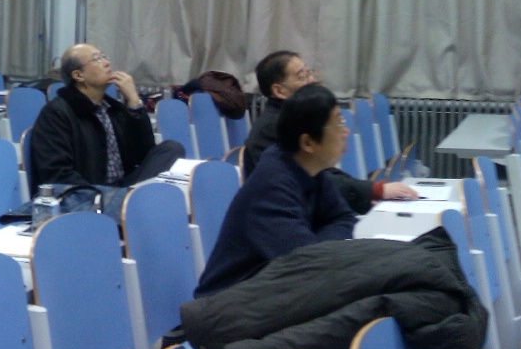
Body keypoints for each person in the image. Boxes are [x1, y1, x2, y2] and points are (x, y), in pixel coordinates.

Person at [196, 83, 359, 297]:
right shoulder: (272, 187)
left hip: (273, 291)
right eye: (337, 124)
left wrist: (316, 245)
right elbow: (306, 264)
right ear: (308, 142)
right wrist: (318, 247)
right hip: (228, 303)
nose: (346, 132)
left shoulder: (311, 169)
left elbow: (343, 218)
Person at [239, 51, 418, 213]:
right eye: (302, 76)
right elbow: (313, 179)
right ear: (279, 91)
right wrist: (374, 190)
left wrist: (368, 193)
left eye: (309, 72)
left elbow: (323, 176)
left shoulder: (296, 117)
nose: (311, 81)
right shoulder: (275, 128)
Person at [27, 43, 184, 192]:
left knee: (172, 149)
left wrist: (134, 102)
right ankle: (131, 202)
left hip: (122, 188)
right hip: (89, 194)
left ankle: (131, 200)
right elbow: (57, 174)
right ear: (78, 75)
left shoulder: (113, 109)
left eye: (104, 57)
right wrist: (96, 196)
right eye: (97, 59)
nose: (107, 63)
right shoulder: (56, 113)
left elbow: (143, 155)